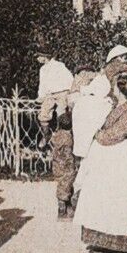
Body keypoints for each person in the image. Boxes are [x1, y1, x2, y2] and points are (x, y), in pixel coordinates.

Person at [77, 74, 127, 253]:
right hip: (108, 158)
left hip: (122, 158)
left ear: (121, 91)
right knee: (104, 198)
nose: (112, 90)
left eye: (115, 87)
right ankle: (103, 241)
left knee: (124, 200)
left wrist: (95, 133)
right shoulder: (116, 107)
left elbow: (113, 135)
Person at [38, 63, 80, 222]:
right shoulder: (71, 137)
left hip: (58, 164)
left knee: (62, 182)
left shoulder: (56, 138)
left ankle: (63, 207)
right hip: (68, 163)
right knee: (69, 181)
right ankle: (65, 209)